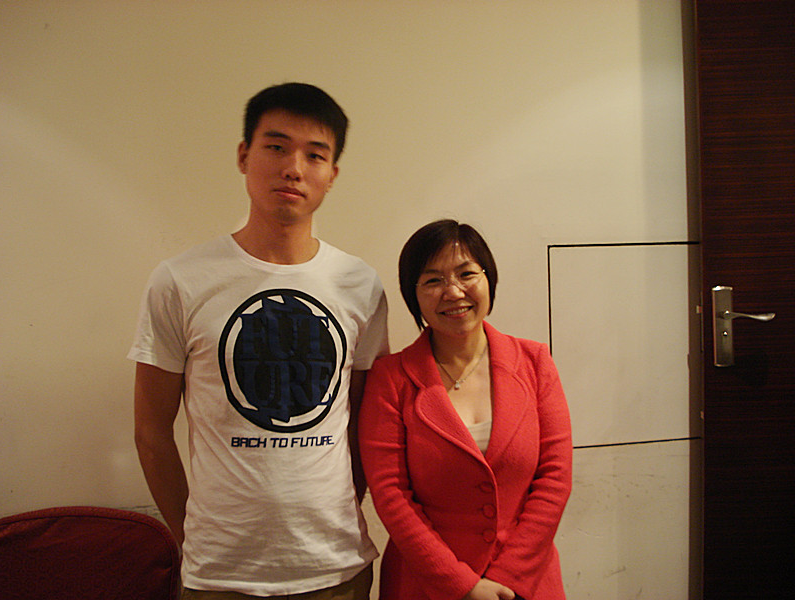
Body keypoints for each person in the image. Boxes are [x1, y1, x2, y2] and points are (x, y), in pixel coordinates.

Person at [129, 82, 388, 599]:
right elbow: (151, 431)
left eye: (315, 155)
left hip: (337, 571)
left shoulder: (361, 285)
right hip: (218, 577)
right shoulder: (180, 281)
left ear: (332, 174)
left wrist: (341, 510)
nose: (293, 168)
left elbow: (363, 424)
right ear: (244, 155)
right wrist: (191, 539)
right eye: (276, 146)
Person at [358, 219, 572, 600]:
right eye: (433, 280)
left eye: (466, 274)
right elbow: (391, 495)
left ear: (489, 278)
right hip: (426, 585)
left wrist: (507, 577)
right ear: (413, 295)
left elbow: (555, 478)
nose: (454, 291)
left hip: (525, 583)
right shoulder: (391, 378)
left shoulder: (534, 362)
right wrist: (462, 585)